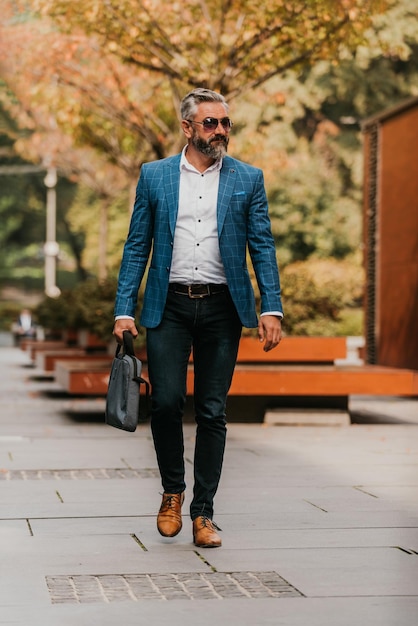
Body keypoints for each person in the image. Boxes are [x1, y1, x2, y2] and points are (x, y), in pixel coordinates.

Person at [113, 88, 283, 548]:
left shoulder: (248, 179)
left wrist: (271, 306)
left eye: (225, 123)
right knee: (166, 402)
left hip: (223, 307)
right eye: (211, 123)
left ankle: (203, 513)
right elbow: (136, 246)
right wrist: (124, 309)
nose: (221, 131)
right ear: (187, 127)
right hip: (168, 306)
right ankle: (172, 491)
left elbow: (262, 246)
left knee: (212, 411)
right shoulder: (156, 176)